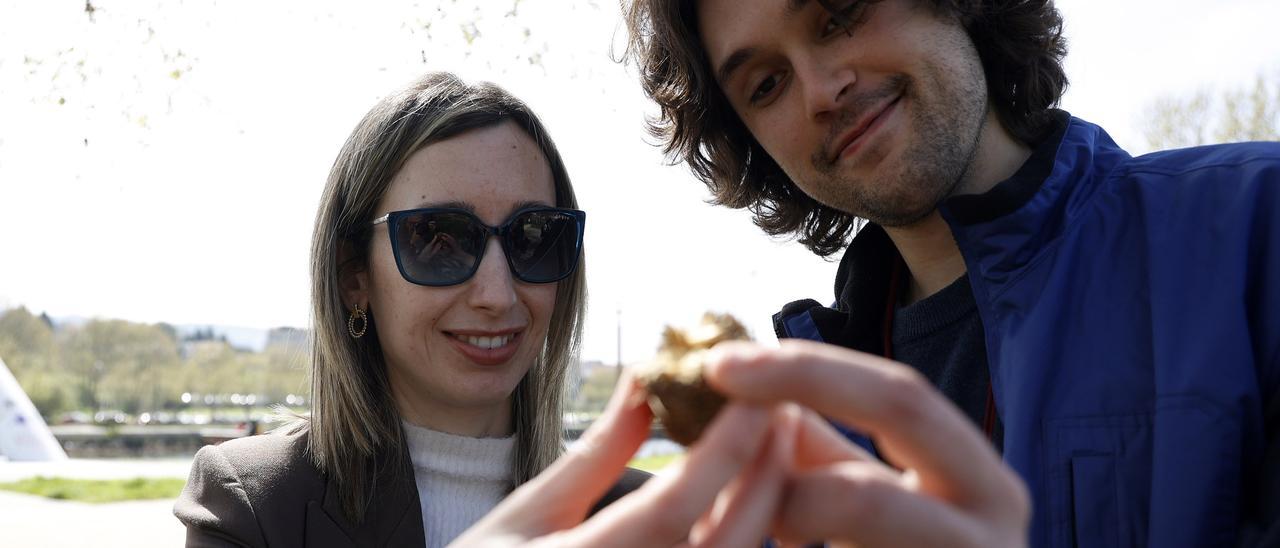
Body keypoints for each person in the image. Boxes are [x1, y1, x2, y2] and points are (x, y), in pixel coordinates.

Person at [610, 0, 1280, 546]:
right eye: (766, 84)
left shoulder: (1255, 228)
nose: (820, 90)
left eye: (841, 13)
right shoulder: (796, 429)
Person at [172, 72, 648, 547]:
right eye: (438, 240)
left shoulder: (646, 518)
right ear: (353, 275)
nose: (498, 294)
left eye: (536, 237)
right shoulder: (255, 505)